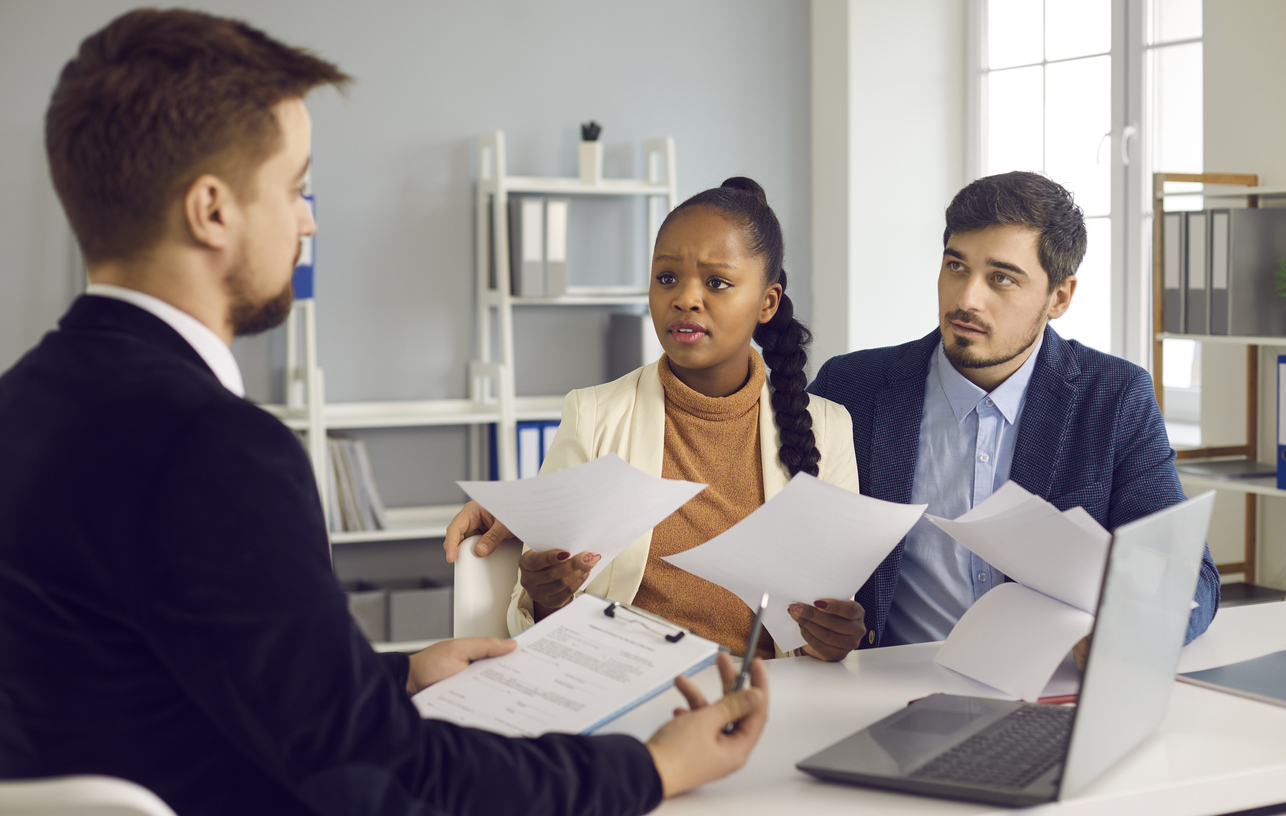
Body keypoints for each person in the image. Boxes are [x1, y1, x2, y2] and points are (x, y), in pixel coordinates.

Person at [0, 10, 768, 816]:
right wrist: (649, 770)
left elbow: (153, 671)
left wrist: (391, 677)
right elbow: (389, 779)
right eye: (296, 188)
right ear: (212, 211)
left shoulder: (24, 406)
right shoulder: (218, 450)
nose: (309, 219)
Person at [445, 178, 866, 662]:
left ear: (767, 302)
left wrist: (833, 637)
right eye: (667, 278)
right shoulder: (593, 415)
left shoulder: (829, 428)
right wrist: (545, 595)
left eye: (717, 283)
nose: (686, 298)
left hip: (765, 697)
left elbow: (824, 628)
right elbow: (539, 618)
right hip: (621, 691)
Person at [806, 170, 1220, 653]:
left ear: (1059, 297)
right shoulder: (853, 388)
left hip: (1045, 688)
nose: (966, 299)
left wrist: (1123, 636)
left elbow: (1189, 578)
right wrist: (824, 622)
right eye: (956, 267)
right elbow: (798, 553)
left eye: (1001, 278)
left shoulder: (1114, 396)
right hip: (887, 690)